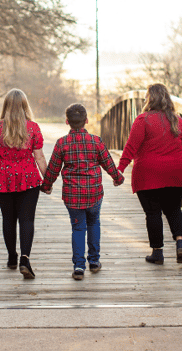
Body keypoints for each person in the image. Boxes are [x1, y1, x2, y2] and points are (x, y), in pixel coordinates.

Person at [40, 103, 124, 280]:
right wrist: (118, 178)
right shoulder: (96, 141)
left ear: (66, 121)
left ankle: (79, 266)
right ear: (86, 121)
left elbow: (54, 168)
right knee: (94, 223)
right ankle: (94, 261)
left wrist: (46, 186)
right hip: (93, 193)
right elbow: (108, 162)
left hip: (72, 196)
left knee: (78, 227)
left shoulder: (62, 143)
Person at [0, 89, 47, 279]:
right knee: (27, 219)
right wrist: (48, 180)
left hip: (4, 179)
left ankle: (11, 257)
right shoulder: (32, 127)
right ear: (25, 106)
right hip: (29, 179)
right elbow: (39, 157)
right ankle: (25, 258)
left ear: (6, 106)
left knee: (8, 219)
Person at [117, 83, 182, 265]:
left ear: (148, 99)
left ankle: (157, 253)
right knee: (174, 208)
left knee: (153, 212)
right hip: (176, 170)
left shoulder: (143, 120)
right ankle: (180, 243)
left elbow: (131, 147)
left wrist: (120, 169)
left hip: (149, 173)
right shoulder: (177, 120)